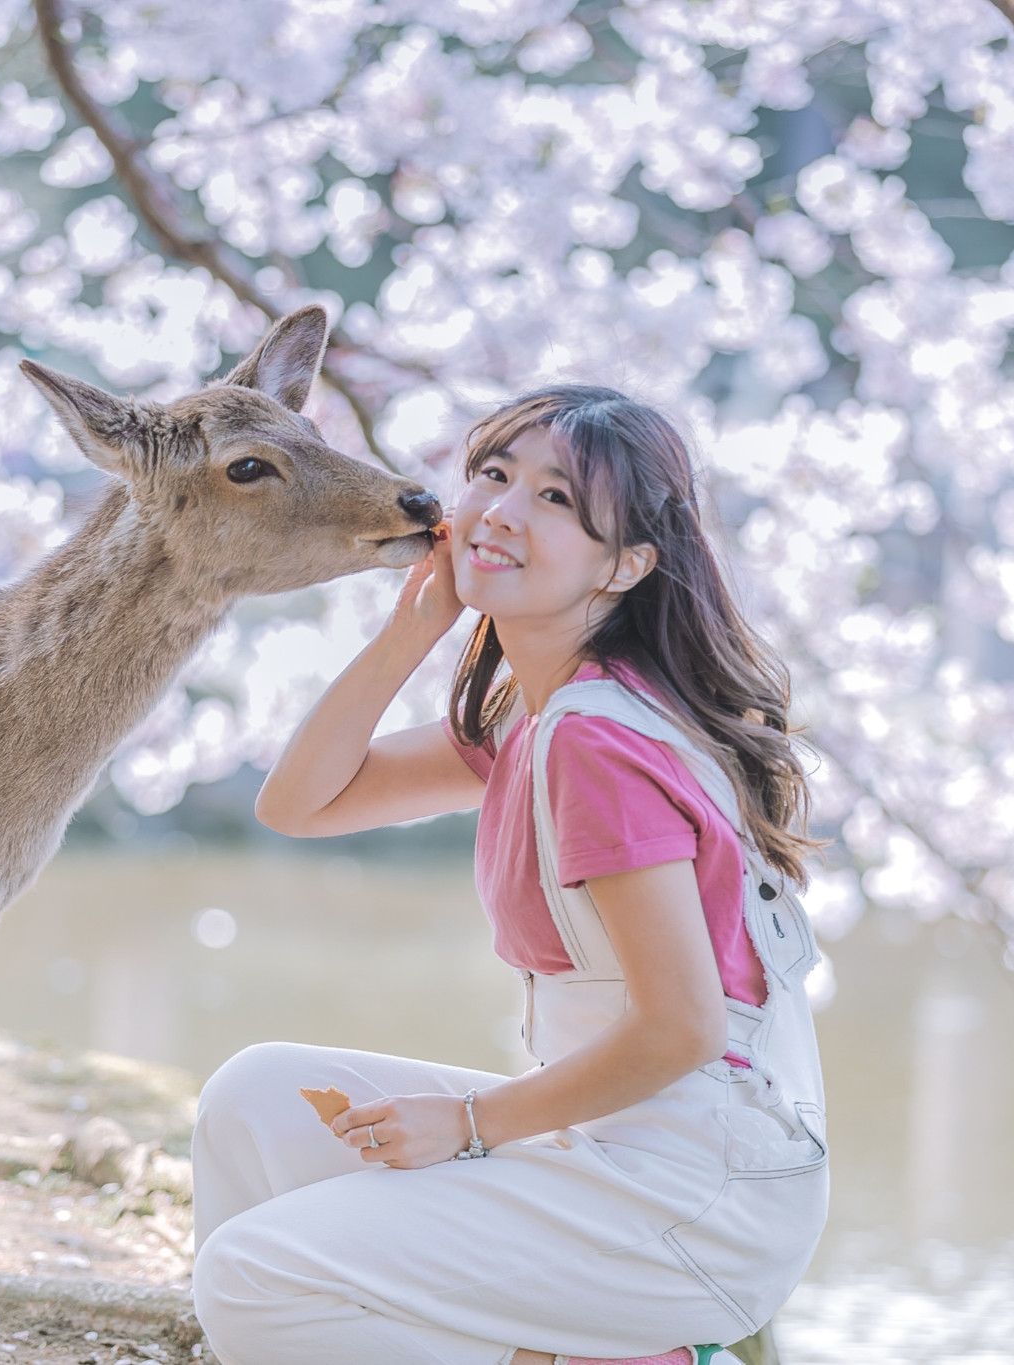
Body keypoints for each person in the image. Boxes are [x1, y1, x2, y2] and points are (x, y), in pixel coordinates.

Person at [188, 387, 830, 1365]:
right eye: (493, 474)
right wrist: (413, 630)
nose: (500, 511)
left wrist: (466, 1125)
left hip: (692, 1200)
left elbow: (682, 1026)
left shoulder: (595, 742)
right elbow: (299, 805)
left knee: (252, 1276)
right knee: (256, 1100)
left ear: (625, 565)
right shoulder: (541, 712)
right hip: (624, 1149)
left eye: (556, 500)